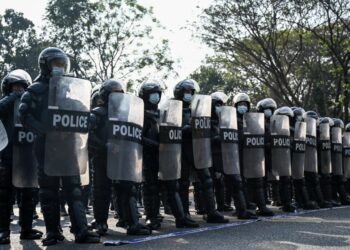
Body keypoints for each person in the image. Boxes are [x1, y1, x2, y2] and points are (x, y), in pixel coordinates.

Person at [19, 47, 100, 245]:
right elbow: (24, 114)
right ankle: (53, 232)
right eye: (57, 64)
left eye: (63, 64)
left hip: (68, 148)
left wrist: (89, 119)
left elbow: (83, 112)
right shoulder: (35, 90)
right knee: (49, 191)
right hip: (46, 148)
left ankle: (81, 230)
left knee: (74, 189)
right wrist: (42, 131)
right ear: (45, 65)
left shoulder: (69, 89)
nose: (60, 68)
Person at [139, 80, 199, 228]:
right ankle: (151, 217)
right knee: (150, 186)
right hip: (149, 155)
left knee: (172, 184)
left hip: (165, 153)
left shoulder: (161, 112)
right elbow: (137, 135)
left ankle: (181, 217)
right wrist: (152, 144)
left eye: (157, 94)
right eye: (152, 94)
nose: (155, 97)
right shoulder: (139, 113)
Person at [175, 79, 228, 223]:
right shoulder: (173, 109)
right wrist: (185, 129)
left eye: (191, 92)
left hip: (199, 149)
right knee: (183, 183)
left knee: (207, 180)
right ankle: (184, 214)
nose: (189, 95)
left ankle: (211, 211)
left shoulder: (197, 110)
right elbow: (167, 131)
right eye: (186, 92)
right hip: (182, 150)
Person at [0, 69, 43, 244]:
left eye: (21, 87)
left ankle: (27, 229)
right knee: (4, 195)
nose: (18, 89)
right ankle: (3, 231)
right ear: (8, 88)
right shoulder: (5, 104)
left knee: (29, 193)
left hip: (27, 155)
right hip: (8, 154)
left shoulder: (31, 105)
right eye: (14, 87)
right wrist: (14, 97)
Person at [210, 91, 257, 219]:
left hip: (228, 155)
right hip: (213, 157)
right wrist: (217, 138)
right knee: (209, 184)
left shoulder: (227, 120)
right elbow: (203, 139)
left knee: (236, 181)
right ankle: (209, 212)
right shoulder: (208, 121)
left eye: (221, 105)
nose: (219, 108)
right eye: (217, 105)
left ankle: (242, 210)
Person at [234, 93, 274, 216]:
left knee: (257, 180)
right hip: (237, 155)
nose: (243, 106)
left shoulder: (251, 119)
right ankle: (243, 207)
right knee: (239, 183)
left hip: (252, 154)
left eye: (245, 104)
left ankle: (261, 207)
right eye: (240, 104)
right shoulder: (231, 119)